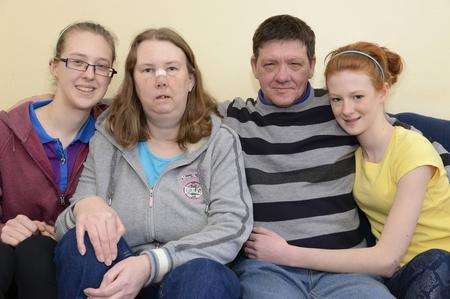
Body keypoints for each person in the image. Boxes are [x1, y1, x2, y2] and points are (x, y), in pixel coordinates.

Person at [219, 15, 449, 299]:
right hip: (270, 268)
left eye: (295, 64)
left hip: (350, 269)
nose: (282, 76)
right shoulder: (233, 118)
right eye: (269, 64)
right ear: (254, 66)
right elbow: (180, 117)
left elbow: (403, 138)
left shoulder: (338, 108)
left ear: (312, 66)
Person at [54, 27, 252, 299]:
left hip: (189, 272)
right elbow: (63, 228)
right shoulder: (107, 138)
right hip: (118, 269)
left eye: (172, 68)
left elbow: (233, 227)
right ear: (133, 82)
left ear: (190, 79)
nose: (161, 80)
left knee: (204, 277)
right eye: (147, 70)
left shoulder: (220, 140)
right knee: (82, 243)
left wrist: (151, 264)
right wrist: (82, 208)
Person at [0, 22, 116, 299]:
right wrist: (6, 228)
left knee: (38, 252)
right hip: (10, 257)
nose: (89, 75)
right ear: (54, 66)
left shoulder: (115, 133)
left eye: (101, 66)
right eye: (77, 62)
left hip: (75, 261)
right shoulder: (6, 131)